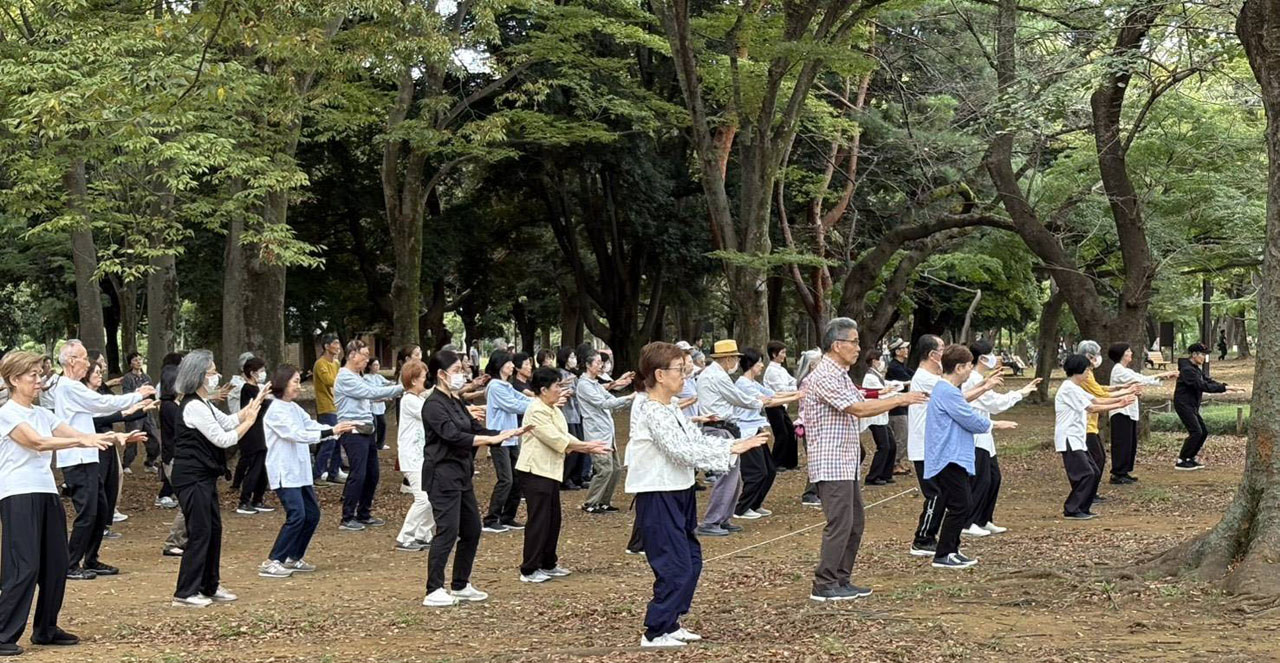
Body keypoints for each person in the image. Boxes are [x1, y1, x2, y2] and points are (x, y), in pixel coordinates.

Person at [626, 342, 768, 646]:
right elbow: (680, 450)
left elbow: (695, 440)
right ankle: (656, 630)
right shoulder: (650, 409)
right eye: (680, 369)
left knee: (691, 558)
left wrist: (731, 446)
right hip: (657, 493)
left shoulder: (672, 408)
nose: (685, 374)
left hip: (679, 490)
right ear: (660, 375)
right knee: (673, 562)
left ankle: (671, 621)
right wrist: (732, 447)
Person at [0, 351, 121, 655]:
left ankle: (46, 629)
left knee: (55, 564)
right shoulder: (7, 413)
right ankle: (3, 633)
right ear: (14, 380)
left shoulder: (43, 414)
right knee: (24, 566)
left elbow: (72, 433)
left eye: (40, 375)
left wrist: (113, 439)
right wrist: (83, 441)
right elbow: (37, 442)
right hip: (17, 494)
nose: (39, 381)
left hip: (46, 493)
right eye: (32, 375)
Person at [801, 319, 926, 600]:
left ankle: (841, 579)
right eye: (854, 342)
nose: (859, 348)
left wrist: (890, 395)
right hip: (831, 462)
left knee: (855, 522)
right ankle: (824, 584)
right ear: (837, 345)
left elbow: (858, 396)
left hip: (845, 461)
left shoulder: (840, 373)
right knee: (840, 524)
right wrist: (899, 401)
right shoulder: (824, 375)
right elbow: (857, 408)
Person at [421, 350, 529, 607]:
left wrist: (504, 433)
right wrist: (488, 439)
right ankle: (434, 588)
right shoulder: (433, 405)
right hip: (441, 476)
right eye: (457, 370)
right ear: (441, 374)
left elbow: (474, 428)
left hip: (461, 474)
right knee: (447, 531)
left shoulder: (455, 400)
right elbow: (453, 436)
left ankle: (460, 584)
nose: (462, 375)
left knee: (471, 529)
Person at [170, 350, 264, 607]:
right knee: (199, 531)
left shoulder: (205, 404)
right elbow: (224, 439)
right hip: (191, 478)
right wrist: (251, 421)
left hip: (204, 476)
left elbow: (228, 420)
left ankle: (209, 584)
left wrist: (251, 408)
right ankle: (185, 592)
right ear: (199, 376)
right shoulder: (192, 407)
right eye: (211, 372)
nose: (216, 376)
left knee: (213, 529)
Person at [54, 340, 154, 580]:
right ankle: (70, 563)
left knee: (101, 509)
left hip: (88, 455)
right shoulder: (68, 386)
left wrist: (128, 414)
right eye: (84, 358)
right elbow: (101, 403)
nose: (88, 363)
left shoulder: (74, 387)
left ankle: (91, 558)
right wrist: (135, 395)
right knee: (88, 512)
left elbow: (98, 411)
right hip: (76, 458)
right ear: (71, 361)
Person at [923, 345, 1017, 569]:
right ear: (958, 367)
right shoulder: (945, 390)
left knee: (960, 504)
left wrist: (985, 386)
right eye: (967, 366)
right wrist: (996, 424)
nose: (969, 371)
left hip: (952, 456)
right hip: (948, 457)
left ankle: (952, 550)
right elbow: (969, 418)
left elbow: (962, 401)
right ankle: (943, 554)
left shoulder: (947, 390)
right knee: (961, 505)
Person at [260, 365, 356, 578]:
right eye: (295, 381)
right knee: (297, 514)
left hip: (300, 471)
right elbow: (297, 434)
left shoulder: (293, 408)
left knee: (312, 514)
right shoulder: (275, 411)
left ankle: (294, 557)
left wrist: (335, 429)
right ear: (283, 383)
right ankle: (273, 560)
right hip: (284, 471)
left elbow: (310, 425)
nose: (298, 386)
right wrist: (330, 431)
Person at [905, 335, 998, 558]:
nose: (944, 352)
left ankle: (940, 544)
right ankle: (924, 539)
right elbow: (959, 403)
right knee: (939, 496)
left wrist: (984, 386)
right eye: (942, 349)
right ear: (933, 355)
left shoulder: (940, 384)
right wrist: (985, 394)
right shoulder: (933, 382)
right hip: (928, 446)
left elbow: (958, 400)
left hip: (939, 446)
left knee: (950, 498)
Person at [515, 368, 606, 583]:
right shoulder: (536, 410)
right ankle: (529, 569)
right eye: (556, 386)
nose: (560, 389)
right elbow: (555, 438)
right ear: (543, 389)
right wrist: (585, 447)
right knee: (539, 520)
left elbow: (564, 434)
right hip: (534, 471)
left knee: (553, 519)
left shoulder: (552, 409)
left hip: (550, 471)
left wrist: (585, 445)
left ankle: (548, 562)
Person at [961, 341, 1039, 537]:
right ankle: (968, 522)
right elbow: (995, 404)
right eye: (991, 353)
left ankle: (983, 519)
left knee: (994, 478)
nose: (996, 357)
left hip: (985, 436)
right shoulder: (972, 379)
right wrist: (1021, 392)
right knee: (980, 480)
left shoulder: (980, 377)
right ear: (982, 358)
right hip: (975, 436)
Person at [333, 340, 403, 532]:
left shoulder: (358, 376)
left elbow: (370, 394)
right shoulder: (345, 377)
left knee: (372, 474)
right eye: (364, 355)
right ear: (352, 354)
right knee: (358, 473)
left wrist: (387, 393)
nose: (367, 359)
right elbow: (369, 392)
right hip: (353, 431)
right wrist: (400, 387)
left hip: (366, 430)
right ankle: (347, 517)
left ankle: (364, 513)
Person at [1055, 355, 1135, 520]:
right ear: (1077, 371)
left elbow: (1097, 399)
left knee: (1094, 470)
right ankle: (1072, 508)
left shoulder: (1077, 388)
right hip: (1068, 437)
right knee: (1086, 473)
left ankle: (1083, 507)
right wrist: (1119, 404)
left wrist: (1122, 398)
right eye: (1086, 370)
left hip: (1078, 438)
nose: (1088, 373)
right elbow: (1091, 408)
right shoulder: (1068, 388)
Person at [733, 348, 802, 519]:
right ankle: (741, 508)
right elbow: (769, 402)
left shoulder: (753, 383)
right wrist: (797, 397)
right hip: (746, 433)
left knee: (770, 470)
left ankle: (755, 504)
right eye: (759, 363)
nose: (762, 366)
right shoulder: (742, 384)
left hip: (756, 430)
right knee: (757, 472)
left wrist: (797, 393)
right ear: (751, 364)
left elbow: (774, 394)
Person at [1107, 343, 1176, 484]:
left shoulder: (1125, 370)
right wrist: (1164, 374)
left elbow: (1138, 378)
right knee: (1122, 443)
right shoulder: (1119, 370)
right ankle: (1117, 473)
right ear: (1122, 354)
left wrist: (1161, 378)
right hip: (1120, 411)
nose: (1131, 352)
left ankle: (1124, 471)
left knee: (1130, 443)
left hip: (1128, 409)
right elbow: (1140, 379)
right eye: (1128, 351)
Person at [577, 349, 634, 514]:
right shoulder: (584, 385)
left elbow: (611, 400)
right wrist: (629, 398)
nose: (600, 365)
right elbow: (603, 403)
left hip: (607, 433)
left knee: (615, 469)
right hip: (596, 434)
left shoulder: (594, 384)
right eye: (597, 362)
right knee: (604, 469)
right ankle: (591, 502)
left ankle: (603, 501)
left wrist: (628, 399)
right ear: (588, 365)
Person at [482, 350, 531, 533]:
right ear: (499, 365)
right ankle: (490, 519)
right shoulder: (495, 386)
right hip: (498, 437)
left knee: (517, 478)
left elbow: (522, 399)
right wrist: (538, 405)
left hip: (511, 437)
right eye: (509, 362)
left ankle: (508, 517)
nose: (512, 365)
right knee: (506, 480)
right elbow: (513, 405)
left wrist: (541, 401)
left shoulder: (506, 385)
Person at [1174, 343, 1243, 470]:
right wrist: (1224, 388)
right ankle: (1181, 460)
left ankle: (1190, 457)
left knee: (1203, 432)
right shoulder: (1187, 370)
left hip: (1192, 404)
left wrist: (1226, 386)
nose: (1204, 358)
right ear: (1194, 355)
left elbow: (1207, 381)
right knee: (1196, 432)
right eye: (1202, 355)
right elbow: (1202, 386)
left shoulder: (1195, 368)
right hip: (1183, 404)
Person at [394, 360, 435, 552]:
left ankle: (422, 533)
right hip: (412, 457)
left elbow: (429, 398)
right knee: (423, 498)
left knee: (431, 496)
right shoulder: (409, 400)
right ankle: (406, 536)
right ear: (413, 380)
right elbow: (431, 414)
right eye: (422, 377)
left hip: (422, 456)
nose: (425, 380)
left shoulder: (417, 399)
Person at [233, 358, 272, 516]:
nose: (263, 374)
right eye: (260, 371)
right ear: (252, 373)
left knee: (263, 468)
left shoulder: (258, 388)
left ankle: (258, 498)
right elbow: (256, 407)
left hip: (262, 432)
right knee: (255, 467)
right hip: (252, 433)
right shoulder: (248, 389)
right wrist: (264, 398)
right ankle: (244, 500)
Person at [158, 353, 188, 555]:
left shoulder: (175, 405)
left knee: (188, 503)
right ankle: (173, 542)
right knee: (187, 502)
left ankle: (182, 539)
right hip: (174, 459)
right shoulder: (170, 407)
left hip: (177, 457)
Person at [861, 353, 902, 485]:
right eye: (879, 360)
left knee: (892, 445)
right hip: (875, 417)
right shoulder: (870, 377)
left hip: (882, 416)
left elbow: (885, 386)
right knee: (884, 446)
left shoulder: (876, 375)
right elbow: (879, 393)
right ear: (874, 361)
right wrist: (894, 395)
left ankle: (886, 473)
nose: (881, 363)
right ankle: (873, 476)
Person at [763, 341, 801, 472]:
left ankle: (790, 462)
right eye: (782, 352)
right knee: (782, 434)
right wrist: (793, 389)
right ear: (774, 354)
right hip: (773, 405)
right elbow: (780, 389)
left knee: (790, 431)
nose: (785, 355)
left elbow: (792, 382)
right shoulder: (771, 371)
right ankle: (776, 462)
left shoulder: (782, 369)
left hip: (782, 405)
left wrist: (795, 386)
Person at [312, 333, 345, 485]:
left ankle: (334, 471)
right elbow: (329, 381)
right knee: (329, 441)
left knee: (338, 440)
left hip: (337, 406)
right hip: (326, 407)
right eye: (335, 344)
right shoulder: (320, 364)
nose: (338, 347)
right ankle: (317, 474)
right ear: (327, 346)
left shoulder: (336, 364)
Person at [120, 351, 160, 472]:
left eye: (140, 359)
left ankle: (150, 462)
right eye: (135, 360)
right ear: (130, 363)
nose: (138, 362)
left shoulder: (147, 377)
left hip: (147, 412)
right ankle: (126, 464)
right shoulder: (127, 378)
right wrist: (138, 393)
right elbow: (127, 395)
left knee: (153, 437)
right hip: (134, 412)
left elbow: (152, 393)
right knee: (133, 437)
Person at [885, 338, 913, 475]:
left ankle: (898, 462)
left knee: (902, 436)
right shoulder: (894, 367)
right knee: (901, 437)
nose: (907, 350)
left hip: (902, 407)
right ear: (897, 351)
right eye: (904, 348)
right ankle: (894, 464)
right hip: (896, 409)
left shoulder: (901, 366)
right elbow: (910, 380)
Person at [363, 357, 395, 452]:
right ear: (370, 366)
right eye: (375, 365)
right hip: (372, 406)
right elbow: (371, 392)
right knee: (374, 426)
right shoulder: (366, 377)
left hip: (380, 407)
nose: (377, 367)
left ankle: (380, 444)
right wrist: (382, 398)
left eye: (378, 365)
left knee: (383, 424)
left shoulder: (379, 377)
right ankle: (371, 444)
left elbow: (388, 384)